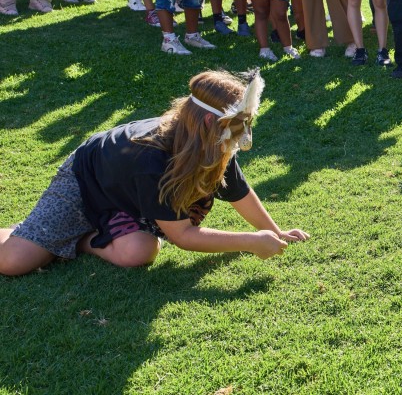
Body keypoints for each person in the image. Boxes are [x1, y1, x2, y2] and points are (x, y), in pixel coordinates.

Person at [0, 70, 310, 277]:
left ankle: (82, 240)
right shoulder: (151, 157)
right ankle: (36, 232)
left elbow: (237, 191)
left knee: (139, 252)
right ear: (207, 122)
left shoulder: (214, 141)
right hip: (86, 181)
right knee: (13, 262)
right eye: (241, 123)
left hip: (125, 196)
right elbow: (183, 236)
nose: (245, 135)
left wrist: (276, 231)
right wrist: (252, 242)